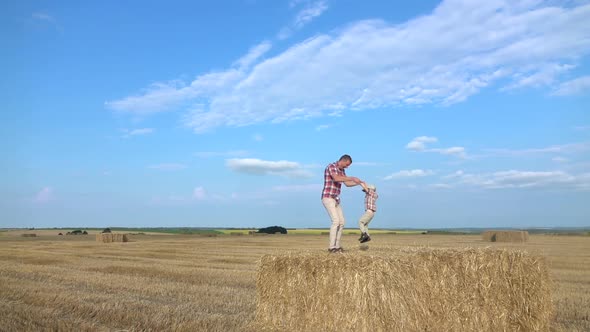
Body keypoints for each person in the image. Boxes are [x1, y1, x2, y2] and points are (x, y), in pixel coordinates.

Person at [321, 154, 363, 253]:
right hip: (328, 197)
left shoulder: (342, 171)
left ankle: (337, 246)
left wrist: (359, 183)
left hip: (336, 199)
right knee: (336, 221)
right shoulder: (331, 166)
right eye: (346, 164)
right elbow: (336, 178)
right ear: (343, 161)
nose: (347, 167)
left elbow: (347, 184)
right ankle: (331, 247)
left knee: (342, 222)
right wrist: (352, 178)